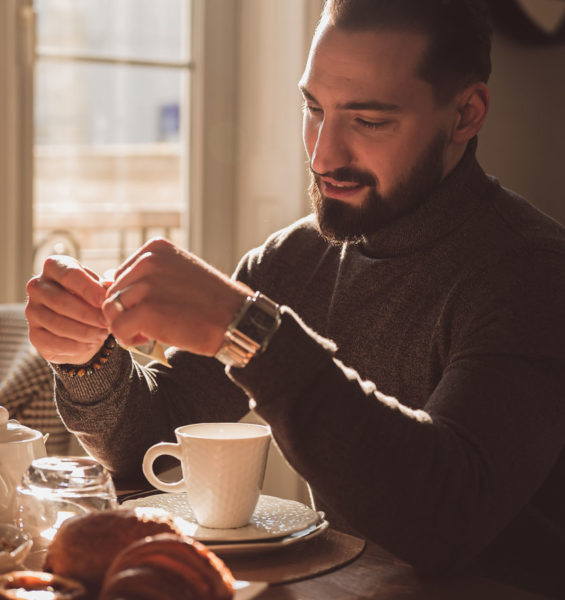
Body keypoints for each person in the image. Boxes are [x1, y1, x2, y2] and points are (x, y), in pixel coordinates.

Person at [25, 0, 565, 595]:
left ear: (465, 114)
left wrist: (249, 330)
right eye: (313, 108)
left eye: (369, 121)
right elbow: (157, 449)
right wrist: (87, 357)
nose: (322, 154)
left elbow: (443, 520)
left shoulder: (535, 273)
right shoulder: (291, 261)